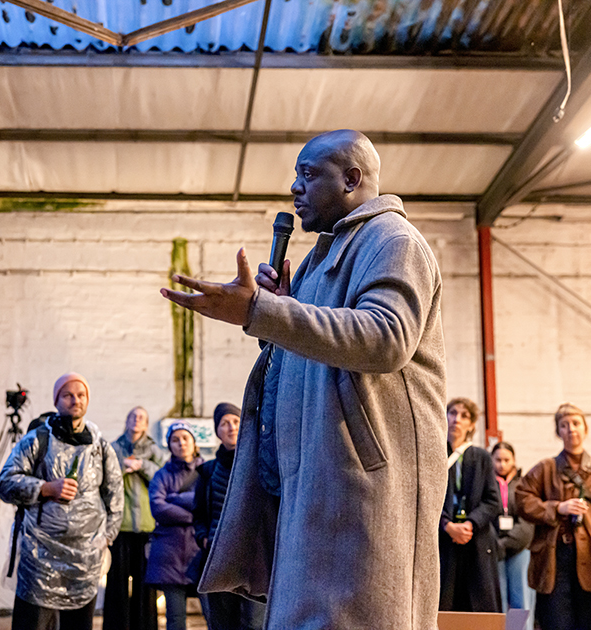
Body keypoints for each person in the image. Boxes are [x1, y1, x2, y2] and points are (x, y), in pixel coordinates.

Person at [160, 130, 447, 629]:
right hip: (315, 479)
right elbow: (319, 348)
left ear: (352, 179)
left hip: (362, 484)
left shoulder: (394, 241)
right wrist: (282, 310)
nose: (295, 187)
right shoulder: (321, 258)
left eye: (308, 174)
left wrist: (263, 312)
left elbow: (387, 337)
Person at [0, 372, 124, 630]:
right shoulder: (36, 440)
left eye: (81, 395)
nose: (75, 400)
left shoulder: (100, 447)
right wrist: (45, 488)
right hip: (40, 556)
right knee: (32, 623)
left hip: (85, 559)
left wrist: (106, 538)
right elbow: (6, 483)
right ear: (56, 400)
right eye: (67, 395)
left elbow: (115, 497)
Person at [516, 403, 591, 630]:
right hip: (554, 559)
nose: (571, 429)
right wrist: (557, 508)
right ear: (558, 431)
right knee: (555, 622)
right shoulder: (546, 468)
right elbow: (522, 499)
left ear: (585, 429)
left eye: (576, 423)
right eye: (564, 425)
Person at [194, 402, 265, 630]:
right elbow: (198, 514)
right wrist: (203, 538)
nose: (231, 427)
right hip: (218, 555)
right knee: (222, 622)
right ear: (217, 431)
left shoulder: (258, 463)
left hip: (253, 556)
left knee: (254, 623)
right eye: (224, 423)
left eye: (235, 421)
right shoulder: (207, 471)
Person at [104, 406, 166, 630]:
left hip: (147, 525)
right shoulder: (114, 448)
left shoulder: (154, 450)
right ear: (127, 420)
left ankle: (145, 626)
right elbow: (103, 476)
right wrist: (123, 467)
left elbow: (164, 476)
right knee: (116, 583)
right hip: (120, 526)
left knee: (146, 583)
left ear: (146, 424)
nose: (137, 419)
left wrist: (142, 465)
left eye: (141, 417)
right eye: (133, 415)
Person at [439, 397, 502, 612]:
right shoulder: (435, 453)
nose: (457, 419)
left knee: (479, 606)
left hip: (476, 540)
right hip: (443, 540)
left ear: (472, 425)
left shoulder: (481, 457)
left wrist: (470, 524)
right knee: (444, 604)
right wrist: (447, 525)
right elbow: (424, 499)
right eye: (453, 413)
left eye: (464, 416)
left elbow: (493, 501)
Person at [145, 422, 204, 630]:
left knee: (214, 616)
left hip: (201, 553)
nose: (181, 443)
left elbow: (210, 504)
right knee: (175, 619)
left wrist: (175, 499)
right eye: (175, 440)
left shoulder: (207, 471)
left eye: (185, 438)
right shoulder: (161, 475)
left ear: (194, 442)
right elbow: (158, 507)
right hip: (170, 557)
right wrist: (195, 515)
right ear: (169, 445)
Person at [491, 441, 534, 627]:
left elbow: (527, 522)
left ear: (514, 461)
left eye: (506, 460)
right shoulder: (486, 484)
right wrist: (495, 544)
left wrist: (507, 542)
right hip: (494, 550)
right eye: (498, 460)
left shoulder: (523, 485)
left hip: (519, 549)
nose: (502, 464)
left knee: (520, 599)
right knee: (497, 599)